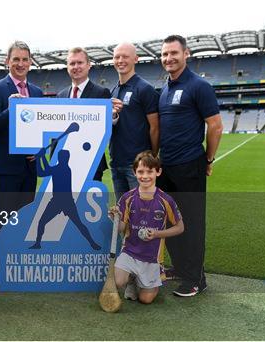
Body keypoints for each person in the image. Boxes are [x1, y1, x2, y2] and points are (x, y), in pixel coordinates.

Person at [158, 35, 223, 297]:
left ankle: (196, 279)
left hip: (189, 165)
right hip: (167, 166)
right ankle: (181, 268)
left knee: (192, 223)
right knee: (171, 220)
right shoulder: (164, 88)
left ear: (186, 54)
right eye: (164, 54)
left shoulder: (199, 86)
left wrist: (207, 159)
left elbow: (216, 125)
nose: (169, 58)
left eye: (174, 53)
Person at [0, 41, 44, 246]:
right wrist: (12, 108)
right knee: (4, 218)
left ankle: (18, 265)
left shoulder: (36, 92)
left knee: (25, 218)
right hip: (6, 167)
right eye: (16, 59)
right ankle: (1, 269)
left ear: (30, 62)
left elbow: (42, 128)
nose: (20, 63)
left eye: (24, 59)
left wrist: (40, 150)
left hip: (29, 167)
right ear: (7, 61)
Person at [110, 151, 184, 304]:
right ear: (134, 173)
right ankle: (131, 279)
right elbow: (122, 228)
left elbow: (180, 227)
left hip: (152, 258)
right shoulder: (127, 198)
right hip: (129, 252)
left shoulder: (166, 200)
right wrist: (115, 219)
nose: (145, 176)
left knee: (146, 300)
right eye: (140, 171)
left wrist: (157, 234)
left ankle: (147, 281)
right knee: (117, 282)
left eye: (150, 171)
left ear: (158, 172)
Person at [56, 47, 121, 181]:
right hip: (64, 163)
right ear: (67, 67)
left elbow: (108, 127)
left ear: (88, 65)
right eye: (72, 63)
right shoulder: (60, 95)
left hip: (91, 161)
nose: (76, 67)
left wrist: (113, 116)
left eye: (80, 63)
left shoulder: (101, 93)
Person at [110, 42, 159, 201]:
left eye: (125, 56)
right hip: (116, 163)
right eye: (117, 57)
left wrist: (152, 157)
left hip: (138, 165)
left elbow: (155, 127)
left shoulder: (145, 89)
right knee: (123, 214)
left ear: (136, 59)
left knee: (142, 214)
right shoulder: (113, 90)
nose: (120, 60)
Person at [30, 147, 101, 250]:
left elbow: (42, 172)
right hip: (59, 201)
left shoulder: (63, 169)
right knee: (42, 222)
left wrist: (40, 157)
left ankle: (92, 243)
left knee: (79, 224)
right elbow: (46, 170)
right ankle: (37, 243)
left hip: (64, 201)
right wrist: (42, 157)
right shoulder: (63, 168)